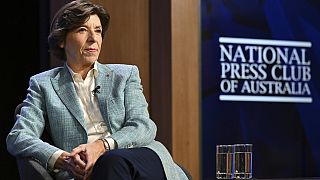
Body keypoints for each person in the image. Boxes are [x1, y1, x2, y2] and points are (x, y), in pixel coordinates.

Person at [6, 0, 188, 179]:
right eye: (83, 30)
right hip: (88, 171)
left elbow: (142, 126)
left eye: (98, 31)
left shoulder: (125, 75)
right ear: (62, 39)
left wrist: (101, 146)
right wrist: (64, 159)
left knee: (111, 161)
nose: (93, 38)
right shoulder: (43, 84)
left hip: (138, 157)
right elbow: (19, 136)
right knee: (107, 166)